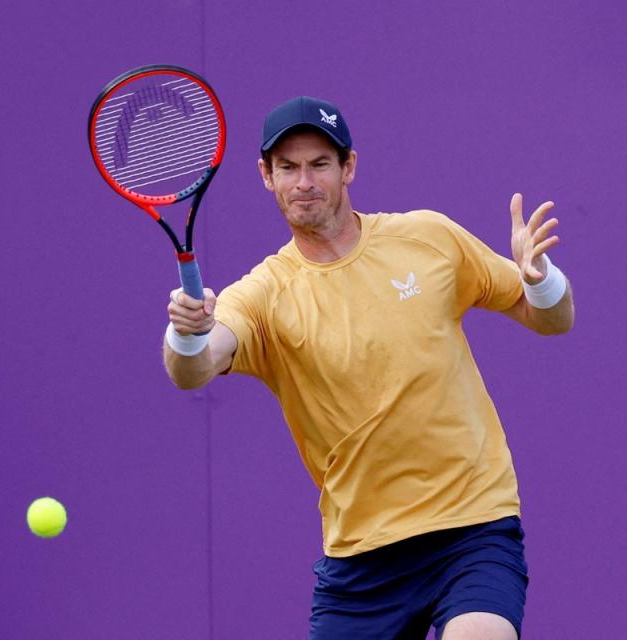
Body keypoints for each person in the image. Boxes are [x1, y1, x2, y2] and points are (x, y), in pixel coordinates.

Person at [163, 96, 575, 640]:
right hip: (362, 558)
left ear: (348, 167)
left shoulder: (428, 238)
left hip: (472, 526)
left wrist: (540, 279)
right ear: (266, 176)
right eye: (287, 167)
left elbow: (551, 320)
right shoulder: (262, 294)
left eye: (319, 165)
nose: (303, 181)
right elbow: (194, 369)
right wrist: (186, 335)